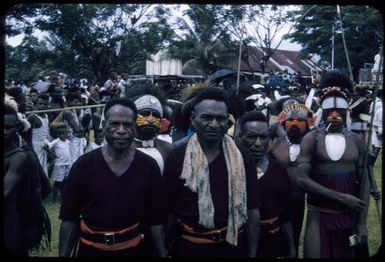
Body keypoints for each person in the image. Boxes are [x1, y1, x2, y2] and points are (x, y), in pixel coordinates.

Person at [58, 98, 166, 257]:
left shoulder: (148, 166)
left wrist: (162, 253)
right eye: (114, 124)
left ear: (135, 128)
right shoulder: (83, 165)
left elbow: (156, 219)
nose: (121, 130)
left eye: (127, 125)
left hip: (134, 251)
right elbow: (69, 218)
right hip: (90, 251)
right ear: (103, 126)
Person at [163, 87, 261, 257]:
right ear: (193, 119)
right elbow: (168, 211)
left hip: (232, 247)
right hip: (188, 247)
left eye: (220, 119)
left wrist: (252, 253)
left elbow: (252, 210)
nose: (214, 124)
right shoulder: (177, 156)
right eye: (207, 117)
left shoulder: (242, 156)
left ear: (227, 121)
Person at [295, 70, 369, 258]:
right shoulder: (312, 139)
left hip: (349, 217)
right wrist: (342, 197)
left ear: (346, 112)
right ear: (323, 110)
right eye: (330, 111)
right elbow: (301, 179)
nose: (334, 115)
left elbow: (365, 181)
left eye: (339, 112)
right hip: (318, 216)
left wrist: (361, 222)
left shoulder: (356, 141)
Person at [237, 111, 295, 258]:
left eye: (263, 138)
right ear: (240, 137)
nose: (257, 144)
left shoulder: (278, 170)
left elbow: (285, 214)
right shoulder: (230, 168)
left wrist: (291, 246)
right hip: (238, 241)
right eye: (251, 137)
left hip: (270, 242)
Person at [267, 103, 313, 257]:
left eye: (300, 120)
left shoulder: (313, 145)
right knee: (277, 235)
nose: (294, 123)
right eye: (290, 120)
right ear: (284, 124)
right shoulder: (274, 146)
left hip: (301, 199)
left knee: (295, 232)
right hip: (277, 200)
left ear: (306, 124)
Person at [43, 127, 71, 203]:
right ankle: (55, 199)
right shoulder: (56, 141)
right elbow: (46, 147)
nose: (65, 135)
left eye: (66, 133)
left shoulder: (67, 142)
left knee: (65, 181)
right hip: (59, 164)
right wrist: (52, 154)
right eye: (63, 134)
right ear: (59, 135)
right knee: (58, 183)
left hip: (67, 164)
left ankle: (63, 197)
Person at [27, 93, 51, 177]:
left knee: (43, 167)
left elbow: (45, 132)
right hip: (35, 146)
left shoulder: (46, 116)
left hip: (43, 145)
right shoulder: (33, 117)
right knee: (35, 168)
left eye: (45, 104)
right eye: (40, 104)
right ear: (36, 104)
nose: (42, 106)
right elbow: (26, 134)